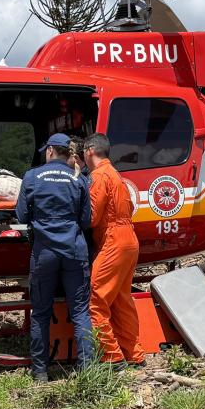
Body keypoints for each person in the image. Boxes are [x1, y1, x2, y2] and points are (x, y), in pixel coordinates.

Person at [16, 133, 94, 381]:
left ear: (50, 151)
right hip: (74, 249)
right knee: (81, 311)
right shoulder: (78, 178)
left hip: (44, 253)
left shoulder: (32, 176)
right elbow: (86, 220)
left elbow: (21, 216)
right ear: (66, 152)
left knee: (40, 312)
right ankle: (87, 370)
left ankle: (40, 372)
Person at [83, 133, 144, 368]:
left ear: (89, 151)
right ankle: (134, 354)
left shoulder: (98, 176)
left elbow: (92, 216)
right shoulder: (116, 175)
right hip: (130, 240)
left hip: (113, 240)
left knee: (94, 299)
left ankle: (112, 356)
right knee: (121, 300)